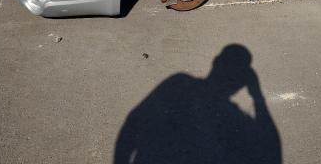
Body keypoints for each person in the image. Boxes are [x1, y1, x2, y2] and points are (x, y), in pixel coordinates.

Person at [114, 44, 281, 164]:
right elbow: (271, 149)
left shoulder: (178, 83)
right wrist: (257, 97)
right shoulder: (234, 116)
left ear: (216, 62)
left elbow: (133, 121)